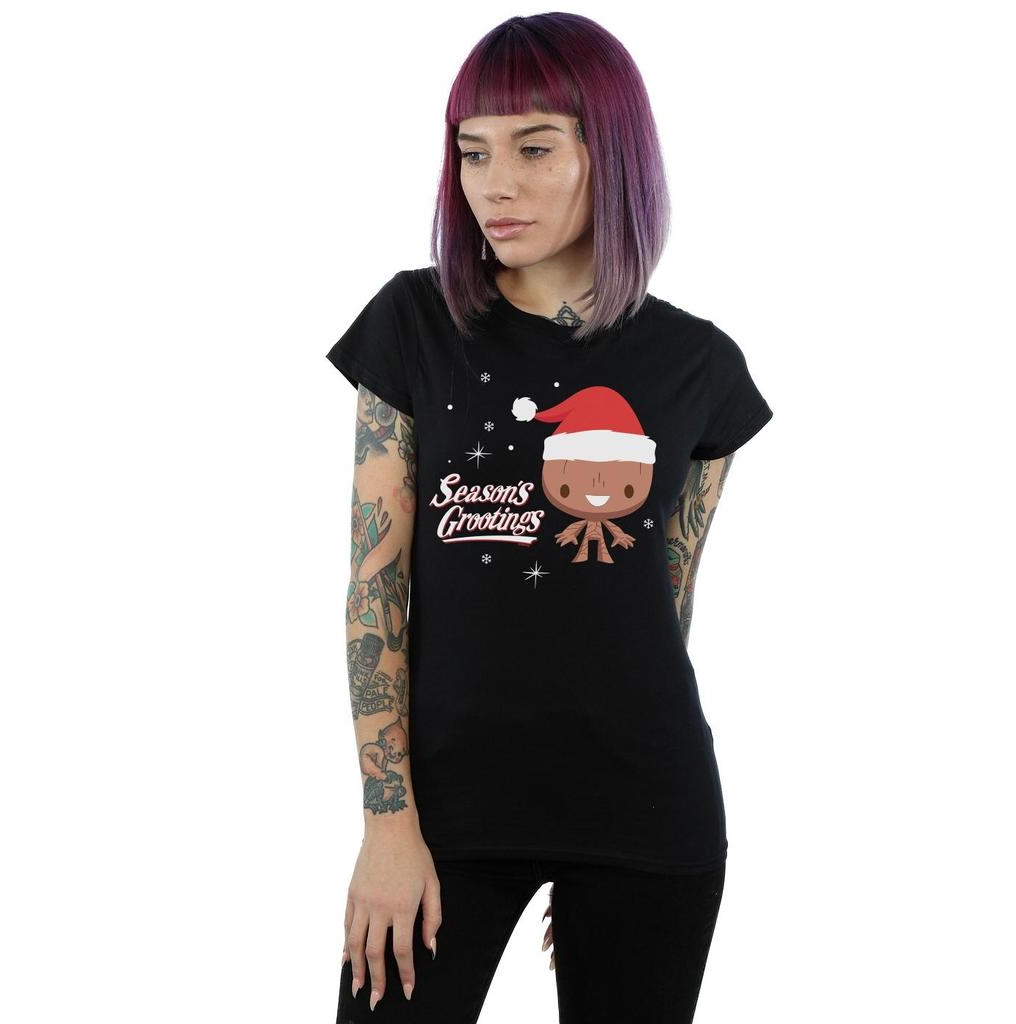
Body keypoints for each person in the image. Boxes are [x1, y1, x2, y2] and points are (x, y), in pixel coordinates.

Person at [325, 14, 773, 1022]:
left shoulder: (699, 366)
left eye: (533, 148)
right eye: (472, 151)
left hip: (646, 809)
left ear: (610, 153)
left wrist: (603, 848)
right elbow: (374, 590)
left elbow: (663, 596)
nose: (495, 185)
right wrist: (388, 825)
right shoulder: (414, 324)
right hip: (446, 814)